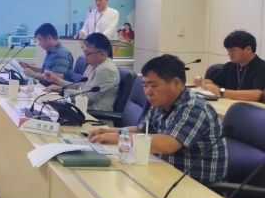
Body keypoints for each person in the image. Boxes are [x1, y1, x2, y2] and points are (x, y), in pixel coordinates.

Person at [89, 54, 227, 184]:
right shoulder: (161, 103)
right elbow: (141, 130)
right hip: (165, 174)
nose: (148, 91)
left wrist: (117, 138)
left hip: (195, 185)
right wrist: (109, 132)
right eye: (145, 85)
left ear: (176, 83)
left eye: (153, 85)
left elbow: (168, 144)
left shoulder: (194, 108)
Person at [44, 33, 120, 111]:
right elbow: (80, 87)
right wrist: (56, 80)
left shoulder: (107, 70)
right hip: (81, 108)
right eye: (84, 52)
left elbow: (88, 97)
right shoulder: (92, 64)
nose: (85, 56)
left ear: (102, 54)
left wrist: (62, 90)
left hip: (95, 114)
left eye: (88, 53)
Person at [194, 30, 265, 102]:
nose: (229, 54)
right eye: (228, 50)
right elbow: (216, 84)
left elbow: (258, 95)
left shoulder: (262, 67)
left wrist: (221, 92)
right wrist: (203, 82)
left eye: (233, 50)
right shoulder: (230, 66)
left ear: (248, 49)